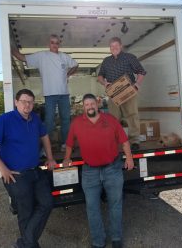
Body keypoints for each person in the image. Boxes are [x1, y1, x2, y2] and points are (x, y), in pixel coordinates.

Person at [0, 89, 57, 248]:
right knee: (26, 212)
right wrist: (3, 169)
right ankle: (30, 244)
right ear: (16, 102)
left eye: (30, 102)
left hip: (35, 170)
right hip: (16, 175)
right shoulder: (5, 120)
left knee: (47, 202)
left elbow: (44, 136)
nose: (27, 105)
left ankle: (24, 243)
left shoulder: (35, 119)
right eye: (24, 101)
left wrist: (50, 158)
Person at [63, 93, 134, 248]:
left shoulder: (111, 120)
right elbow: (69, 143)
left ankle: (116, 238)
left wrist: (129, 158)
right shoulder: (76, 123)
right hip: (90, 172)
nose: (90, 106)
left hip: (113, 169)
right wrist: (67, 158)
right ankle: (98, 241)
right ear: (83, 107)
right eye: (87, 104)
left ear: (98, 104)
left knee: (115, 204)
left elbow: (124, 141)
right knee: (92, 207)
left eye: (92, 103)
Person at [12, 34, 78, 150]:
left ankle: (64, 144)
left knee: (66, 119)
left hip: (64, 94)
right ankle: (45, 146)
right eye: (52, 42)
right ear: (49, 44)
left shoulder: (64, 56)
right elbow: (22, 57)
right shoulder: (42, 55)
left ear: (59, 44)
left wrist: (68, 74)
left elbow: (76, 65)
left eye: (57, 43)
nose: (54, 45)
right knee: (49, 121)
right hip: (50, 95)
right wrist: (11, 49)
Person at [98, 36, 146, 151]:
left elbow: (141, 71)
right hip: (113, 94)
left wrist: (137, 84)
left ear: (121, 46)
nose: (114, 48)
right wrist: (104, 83)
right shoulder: (106, 61)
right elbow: (100, 76)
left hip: (129, 92)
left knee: (132, 115)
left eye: (116, 45)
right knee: (113, 118)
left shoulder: (129, 57)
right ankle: (114, 140)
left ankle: (134, 141)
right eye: (112, 46)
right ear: (110, 48)